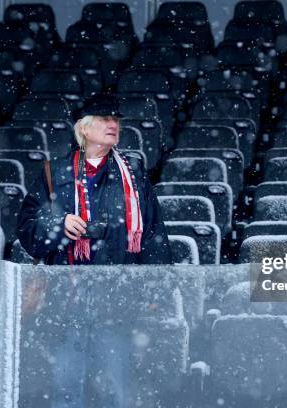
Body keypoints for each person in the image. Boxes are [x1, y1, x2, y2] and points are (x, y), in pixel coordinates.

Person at [16, 93, 173, 408]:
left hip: (116, 301)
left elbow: (154, 236)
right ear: (84, 129)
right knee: (66, 390)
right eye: (105, 119)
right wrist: (59, 225)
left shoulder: (134, 175)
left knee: (116, 391)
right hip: (66, 301)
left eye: (116, 120)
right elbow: (27, 231)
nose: (113, 124)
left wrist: (157, 291)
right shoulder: (55, 173)